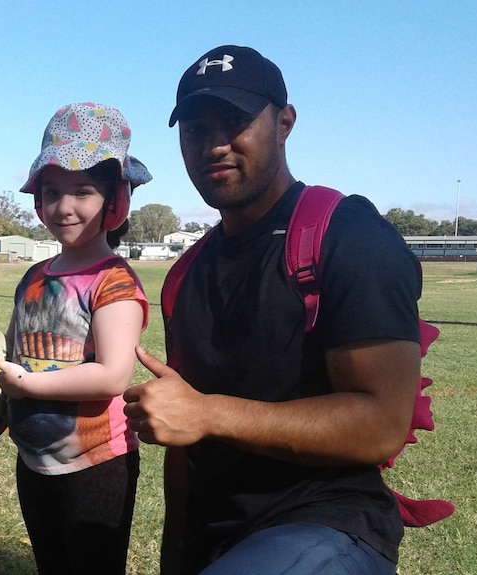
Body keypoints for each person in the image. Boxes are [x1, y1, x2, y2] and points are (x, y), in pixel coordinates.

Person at [121, 45, 424, 575]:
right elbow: (184, 437)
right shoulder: (185, 275)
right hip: (217, 539)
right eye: (194, 129)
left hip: (328, 523)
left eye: (235, 121)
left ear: (284, 123)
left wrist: (210, 412)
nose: (214, 144)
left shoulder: (349, 236)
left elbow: (381, 423)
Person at [0, 102, 152, 575]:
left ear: (115, 201)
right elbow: (10, 356)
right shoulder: (34, 276)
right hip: (34, 461)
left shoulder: (113, 281)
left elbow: (113, 375)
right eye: (52, 192)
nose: (64, 207)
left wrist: (30, 386)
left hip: (96, 464)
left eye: (83, 191)